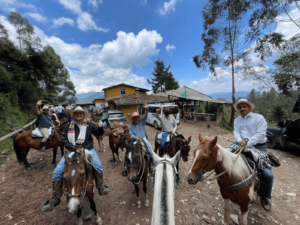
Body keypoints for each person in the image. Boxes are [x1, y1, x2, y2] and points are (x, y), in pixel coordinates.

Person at [41, 106, 110, 212]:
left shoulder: (90, 124)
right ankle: (55, 197)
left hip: (88, 150)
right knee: (57, 172)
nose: (78, 115)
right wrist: (74, 148)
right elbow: (63, 138)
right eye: (76, 113)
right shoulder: (69, 125)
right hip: (71, 151)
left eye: (80, 113)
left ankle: (101, 186)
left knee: (98, 166)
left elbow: (99, 133)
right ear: (73, 115)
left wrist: (100, 127)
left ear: (83, 115)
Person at [226, 98, 274, 212]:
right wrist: (240, 141)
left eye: (244, 106)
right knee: (224, 154)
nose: (242, 109)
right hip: (241, 143)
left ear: (249, 107)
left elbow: (261, 134)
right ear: (238, 109)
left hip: (258, 146)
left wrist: (248, 143)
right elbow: (236, 132)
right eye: (240, 107)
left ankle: (264, 196)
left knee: (268, 174)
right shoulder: (237, 120)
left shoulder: (259, 118)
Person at [122, 102, 154, 176]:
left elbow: (146, 116)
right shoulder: (130, 126)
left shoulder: (142, 122)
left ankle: (152, 166)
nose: (136, 119)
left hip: (143, 139)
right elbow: (132, 135)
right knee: (127, 152)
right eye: (134, 118)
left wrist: (147, 110)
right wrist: (137, 138)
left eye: (137, 117)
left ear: (138, 117)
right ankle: (126, 167)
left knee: (149, 151)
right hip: (135, 140)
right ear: (133, 118)